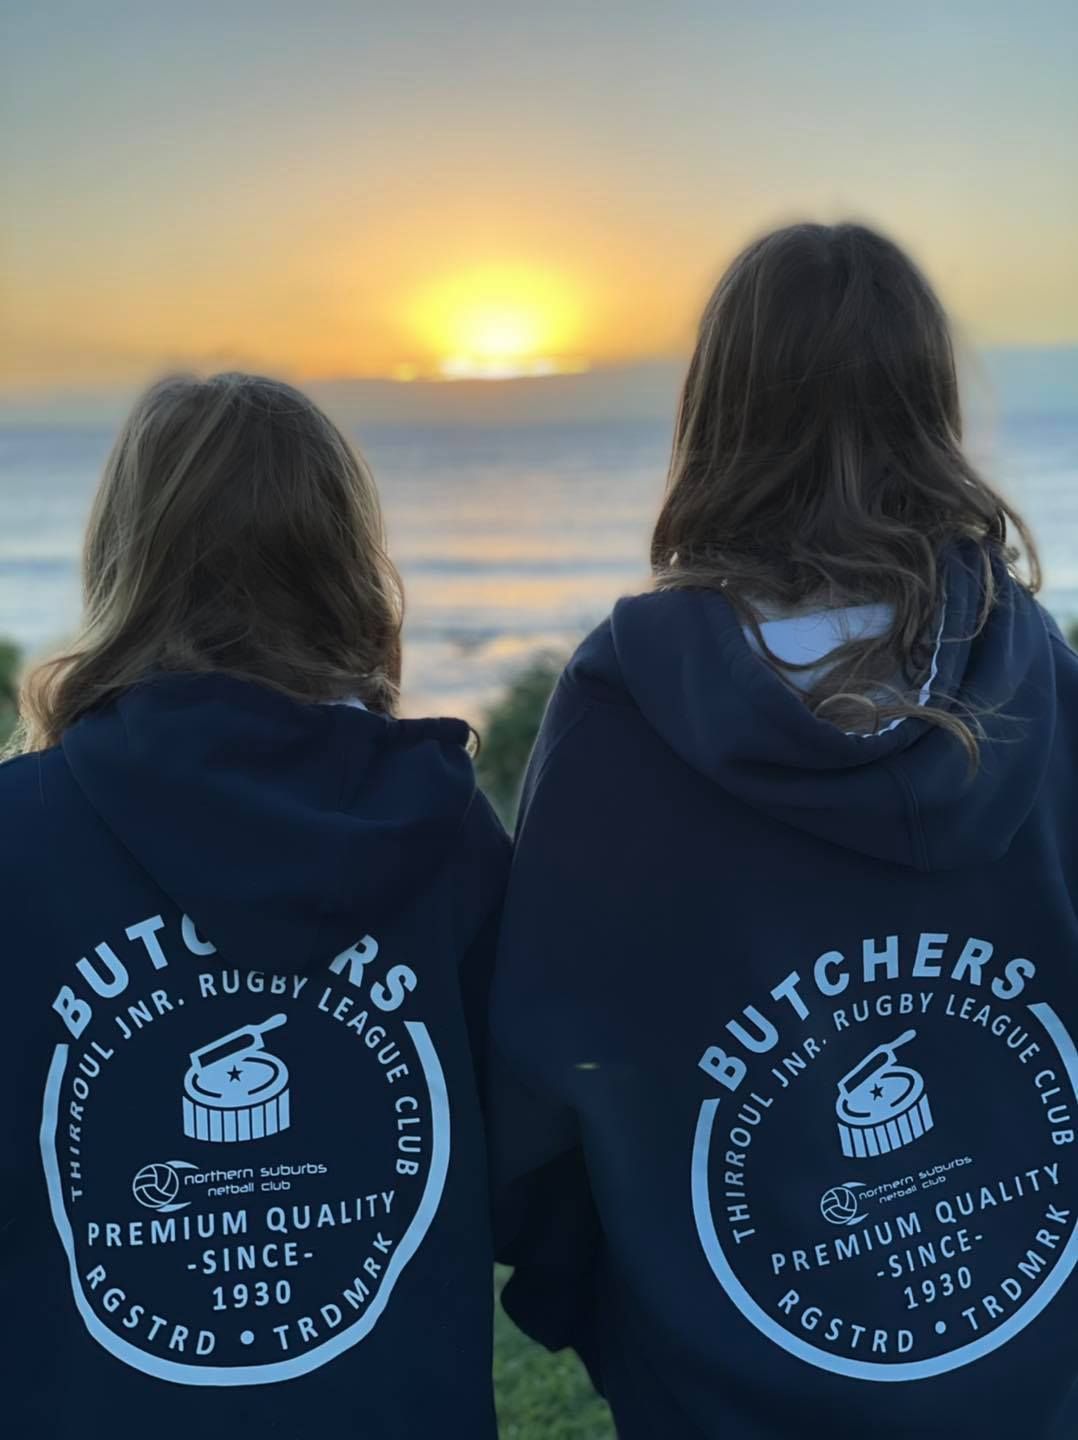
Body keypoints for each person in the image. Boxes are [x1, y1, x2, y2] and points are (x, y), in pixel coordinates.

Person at [490, 222, 1078, 1438]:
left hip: (720, 1385)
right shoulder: (1035, 676)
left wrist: (631, 1311)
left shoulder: (621, 708)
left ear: (718, 415)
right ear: (927, 407)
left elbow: (540, 1084)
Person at [1, 373, 508, 1437]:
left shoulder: (20, 834)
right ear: (345, 569)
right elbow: (532, 1144)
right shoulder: (442, 833)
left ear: (124, 563)